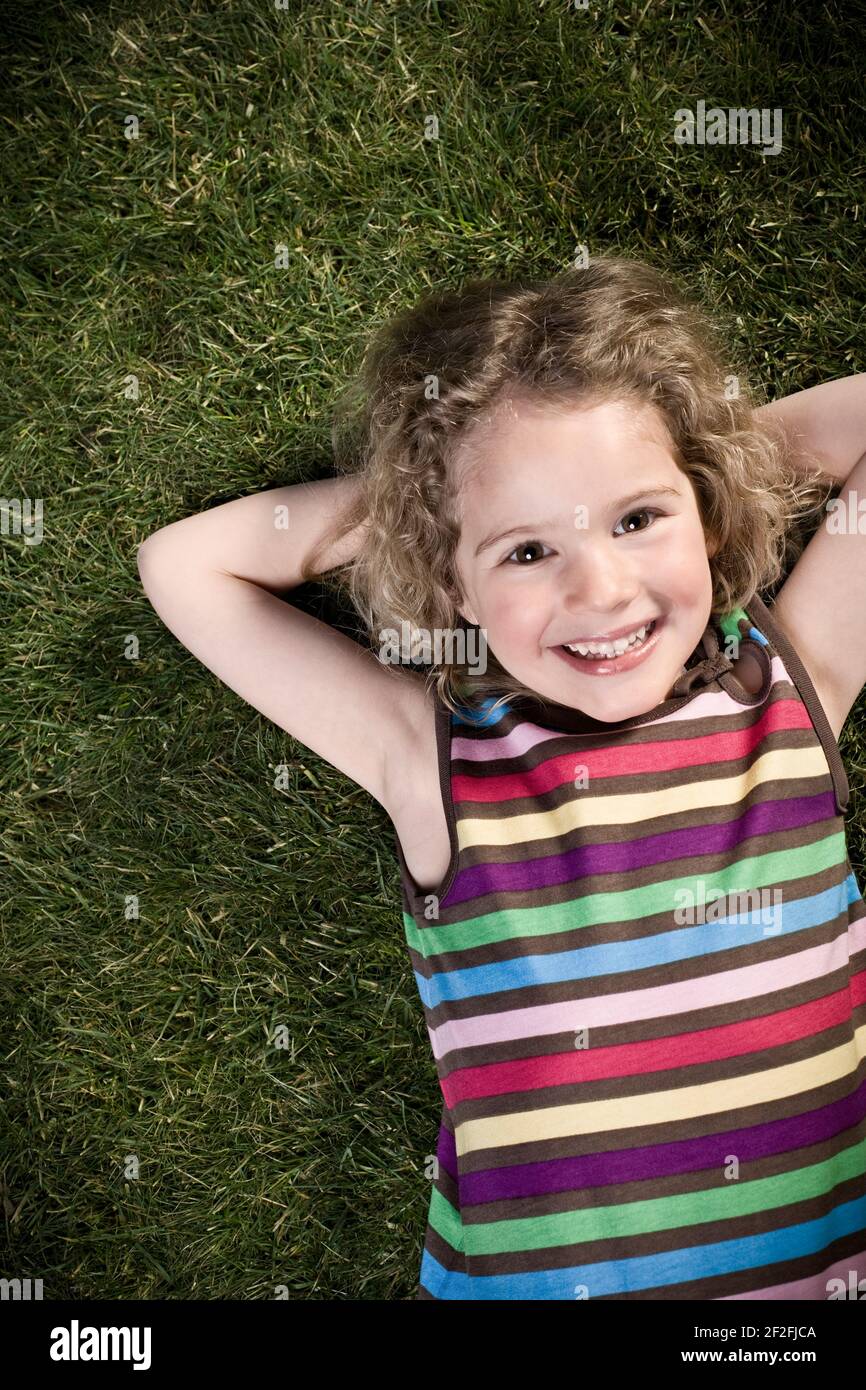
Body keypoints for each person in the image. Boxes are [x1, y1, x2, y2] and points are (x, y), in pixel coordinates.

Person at [137, 254, 866, 1299]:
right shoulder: (432, 757)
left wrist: (698, 454)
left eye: (636, 519)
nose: (599, 587)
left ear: (703, 511)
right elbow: (184, 567)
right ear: (451, 581)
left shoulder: (791, 687)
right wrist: (427, 492)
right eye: (524, 550)